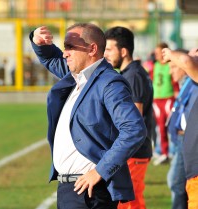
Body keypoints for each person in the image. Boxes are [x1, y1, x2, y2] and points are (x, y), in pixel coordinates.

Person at [30, 23, 146, 209]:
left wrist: (100, 170)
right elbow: (52, 59)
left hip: (91, 193)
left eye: (70, 47)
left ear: (92, 49)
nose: (65, 53)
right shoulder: (79, 76)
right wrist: (39, 42)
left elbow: (134, 129)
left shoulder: (109, 83)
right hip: (72, 190)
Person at [104, 26, 153, 209]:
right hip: (133, 151)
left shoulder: (133, 76)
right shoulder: (131, 73)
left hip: (134, 152)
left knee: (129, 202)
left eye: (109, 49)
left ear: (123, 51)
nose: (105, 54)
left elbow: (134, 119)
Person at [162, 47, 198, 209]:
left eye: (174, 66)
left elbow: (186, 61)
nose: (171, 72)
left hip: (189, 144)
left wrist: (171, 54)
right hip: (184, 142)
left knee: (176, 182)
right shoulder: (189, 83)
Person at [152, 42, 179, 165]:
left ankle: (176, 151)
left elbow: (175, 82)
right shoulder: (155, 66)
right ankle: (164, 153)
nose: (156, 55)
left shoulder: (170, 65)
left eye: (158, 53)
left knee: (172, 126)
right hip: (157, 100)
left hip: (168, 99)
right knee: (161, 128)